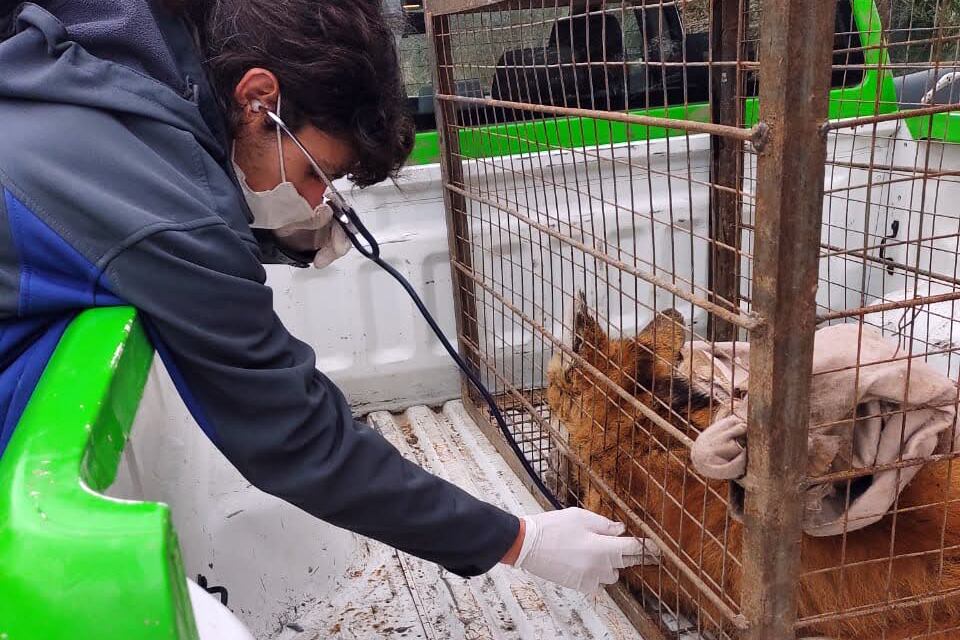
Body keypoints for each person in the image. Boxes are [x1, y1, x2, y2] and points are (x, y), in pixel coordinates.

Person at [0, 0, 644, 596]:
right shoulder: (169, 211)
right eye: (317, 173)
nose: (315, 202)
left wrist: (273, 238)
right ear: (258, 99)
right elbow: (295, 438)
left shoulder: (107, 77)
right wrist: (518, 540)